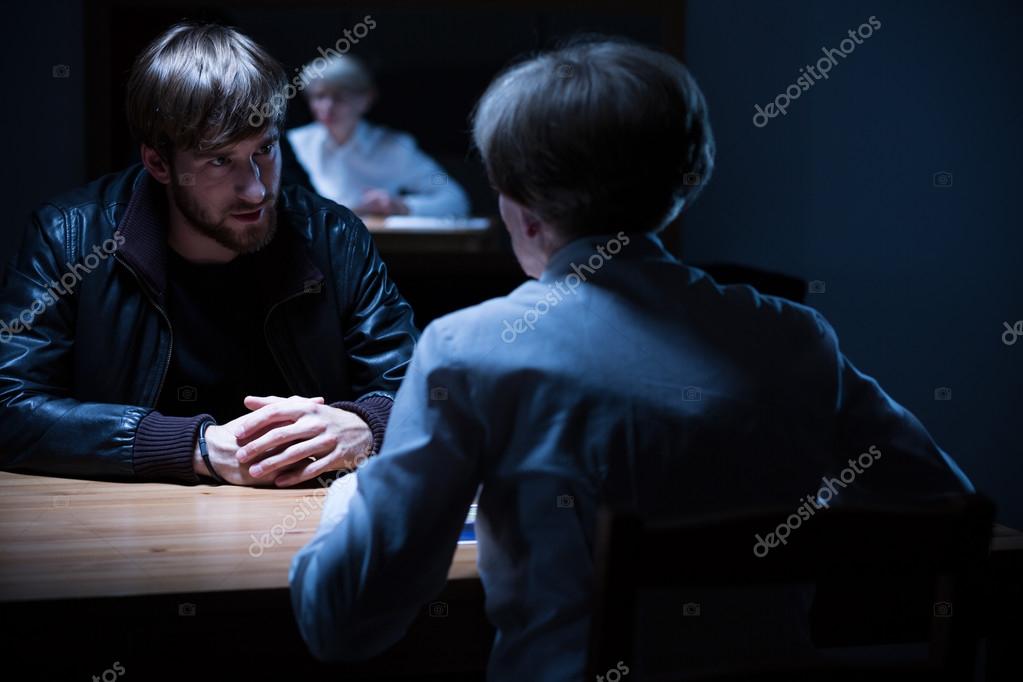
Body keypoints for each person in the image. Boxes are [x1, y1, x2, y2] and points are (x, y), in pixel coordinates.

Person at [288, 37, 973, 679]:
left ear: (520, 208)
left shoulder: (467, 351)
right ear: (686, 181)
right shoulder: (793, 337)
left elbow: (346, 623)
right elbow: (946, 512)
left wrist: (351, 505)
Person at [0, 22, 418, 487]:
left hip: (300, 528)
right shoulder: (70, 237)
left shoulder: (335, 236)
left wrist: (365, 425)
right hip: (128, 533)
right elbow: (10, 406)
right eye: (221, 160)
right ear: (159, 163)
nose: (257, 190)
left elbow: (421, 392)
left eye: (265, 150)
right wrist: (193, 447)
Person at [287, 54, 470, 218]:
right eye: (319, 96)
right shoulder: (295, 143)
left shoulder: (396, 148)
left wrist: (401, 206)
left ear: (367, 99)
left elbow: (455, 199)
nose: (327, 106)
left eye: (339, 97)